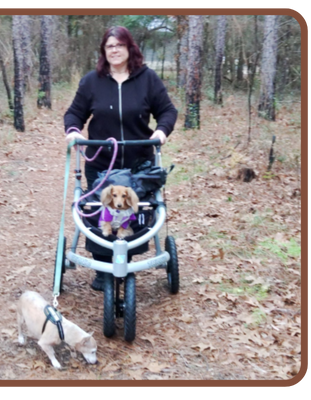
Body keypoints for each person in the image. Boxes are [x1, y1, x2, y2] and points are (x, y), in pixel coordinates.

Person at [64, 26, 178, 291]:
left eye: (119, 45)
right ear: (104, 51)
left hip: (138, 164)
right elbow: (74, 114)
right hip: (101, 164)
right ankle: (103, 266)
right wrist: (72, 132)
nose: (114, 50)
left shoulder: (148, 79)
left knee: (135, 211)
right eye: (109, 46)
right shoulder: (92, 81)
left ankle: (127, 259)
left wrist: (161, 131)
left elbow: (167, 111)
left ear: (130, 48)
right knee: (99, 212)